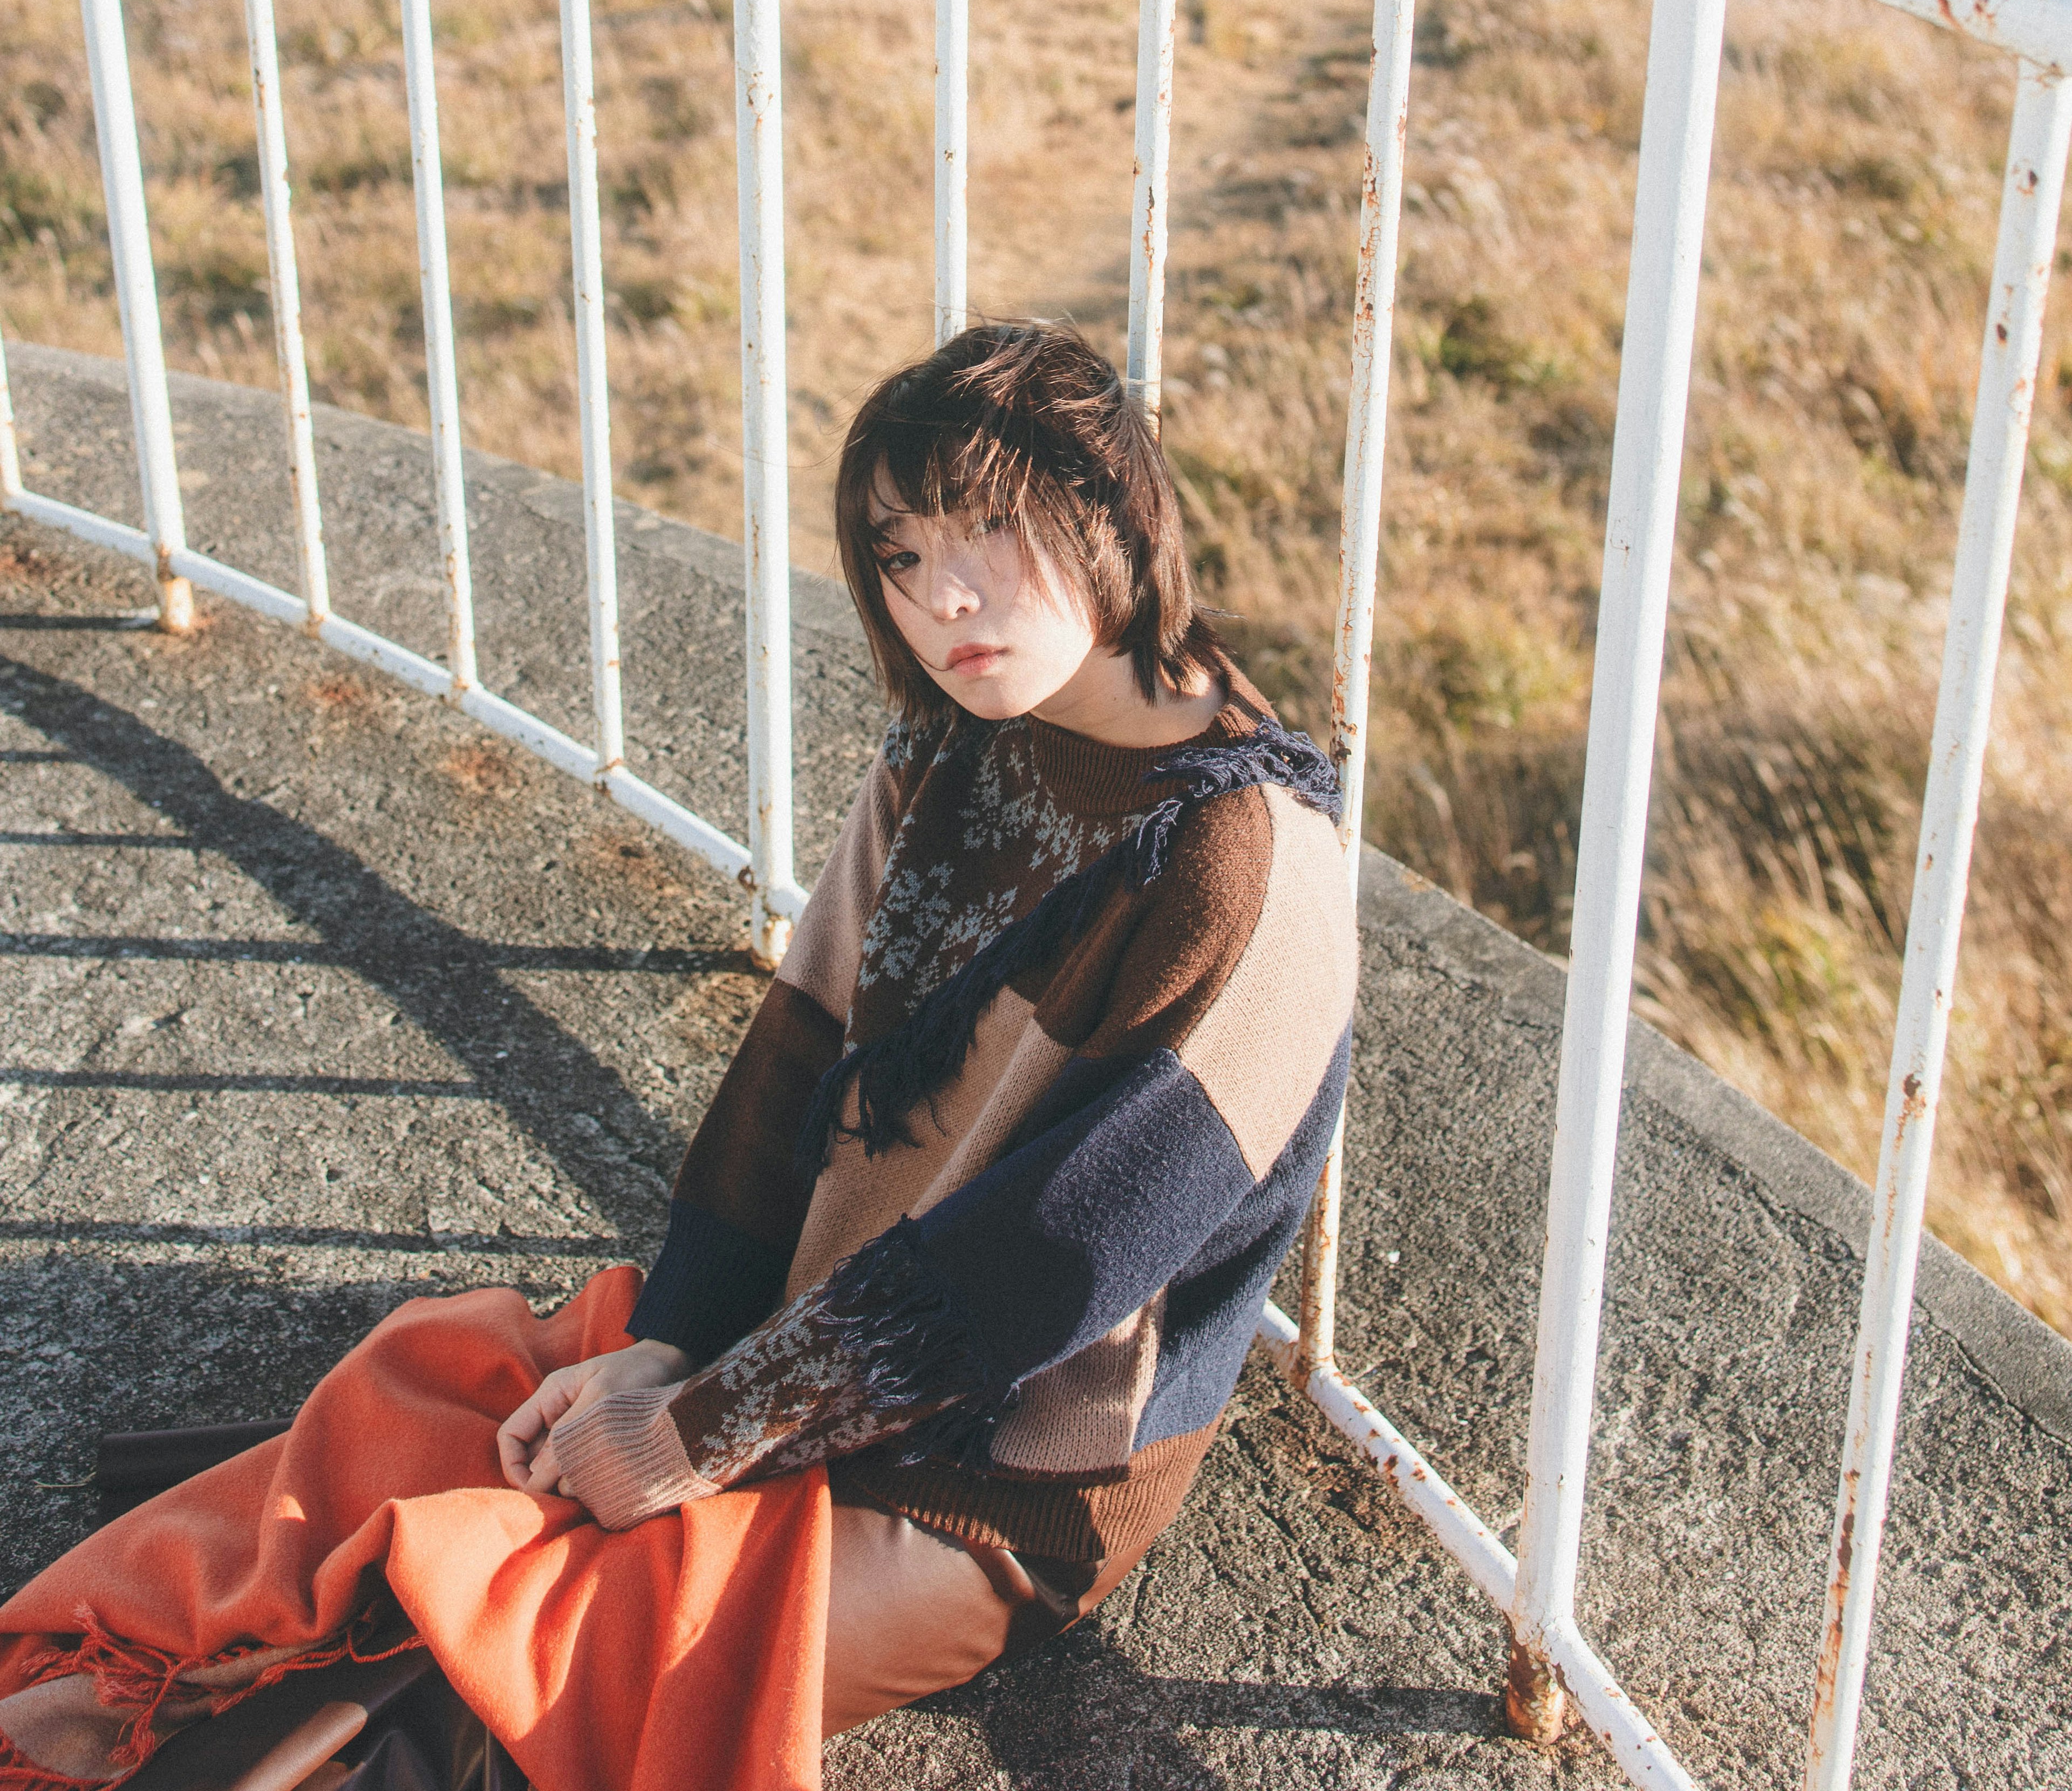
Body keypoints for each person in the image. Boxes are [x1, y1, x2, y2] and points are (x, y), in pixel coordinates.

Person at [1, 321, 1358, 1788]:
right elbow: (797, 1059)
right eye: (901, 556)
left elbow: (1049, 1265)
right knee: (423, 1426)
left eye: (989, 531)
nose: (942, 597)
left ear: (1114, 521)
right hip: (801, 1340)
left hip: (999, 1482)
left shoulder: (1244, 863)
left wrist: (699, 1432)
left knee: (524, 1662)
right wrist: (679, 1334)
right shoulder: (954, 747)